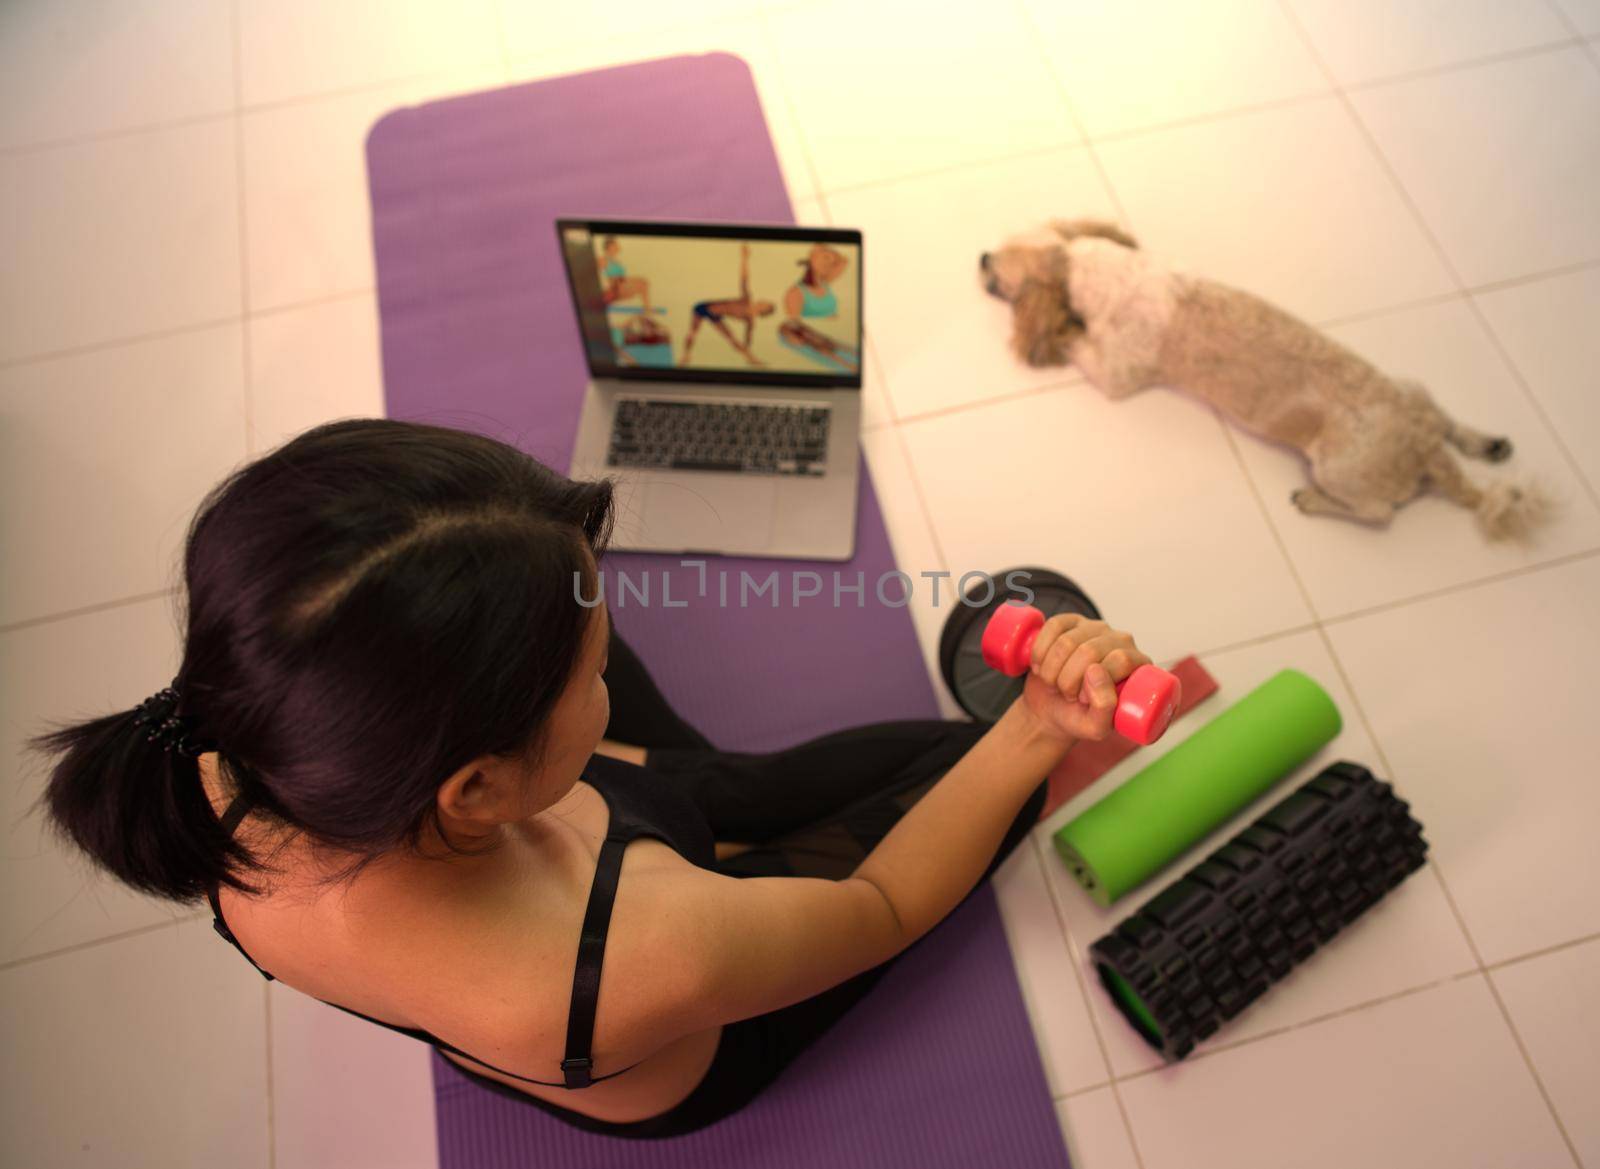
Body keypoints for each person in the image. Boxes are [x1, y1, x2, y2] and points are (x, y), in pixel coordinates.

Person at [24, 417, 1152, 1139]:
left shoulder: (227, 760)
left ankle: (655, 748)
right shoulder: (659, 947)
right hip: (649, 977)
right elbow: (885, 905)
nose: (606, 641)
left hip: (572, 837)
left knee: (705, 741)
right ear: (483, 784)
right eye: (594, 665)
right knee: (969, 762)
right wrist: (1039, 728)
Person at [681, 242, 776, 367]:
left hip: (716, 317)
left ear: (763, 310)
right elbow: (744, 279)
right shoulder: (746, 300)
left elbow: (748, 336)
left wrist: (746, 348)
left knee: (731, 338)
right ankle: (685, 356)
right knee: (693, 332)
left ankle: (751, 359)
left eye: (765, 304)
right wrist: (745, 258)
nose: (762, 301)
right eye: (764, 301)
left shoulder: (750, 319)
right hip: (703, 307)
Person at [780, 242, 859, 372]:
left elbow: (844, 261)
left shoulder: (825, 283)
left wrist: (827, 254)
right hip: (816, 338)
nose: (829, 264)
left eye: (832, 262)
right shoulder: (796, 293)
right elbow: (793, 324)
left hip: (836, 337)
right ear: (812, 258)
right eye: (825, 258)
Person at [597, 236, 653, 313]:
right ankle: (647, 309)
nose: (618, 247)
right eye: (615, 245)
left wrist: (637, 279)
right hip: (615, 290)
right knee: (642, 284)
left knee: (644, 283)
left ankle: (647, 309)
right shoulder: (603, 259)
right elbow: (593, 275)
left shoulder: (617, 262)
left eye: (617, 245)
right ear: (609, 247)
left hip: (621, 288)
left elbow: (622, 279)